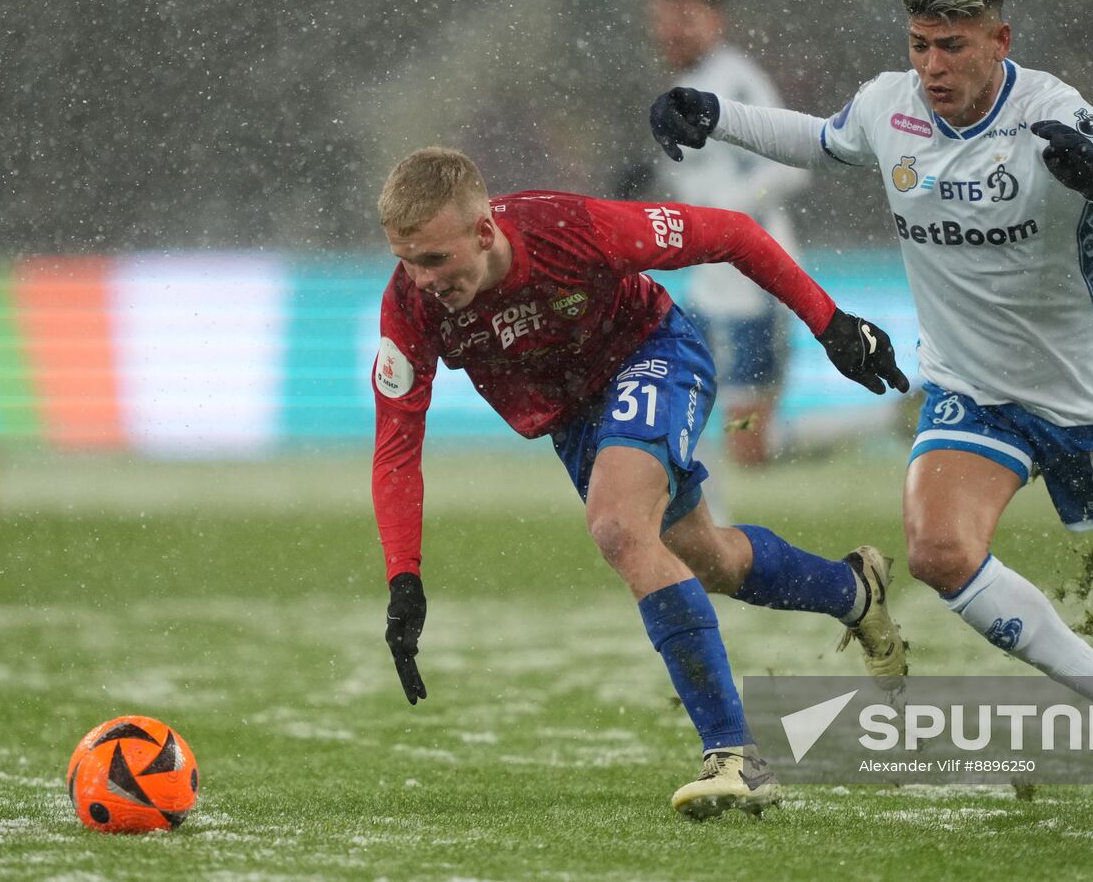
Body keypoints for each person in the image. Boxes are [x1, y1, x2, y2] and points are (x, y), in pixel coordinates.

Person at [650, 0, 1093, 787]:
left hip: (1083, 394)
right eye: (920, 44)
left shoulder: (1055, 113)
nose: (932, 66)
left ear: (1000, 40)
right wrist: (716, 117)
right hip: (970, 389)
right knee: (937, 551)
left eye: (953, 46)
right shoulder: (891, 106)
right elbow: (819, 140)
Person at [371, 147, 911, 819]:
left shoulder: (570, 229)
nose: (421, 280)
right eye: (406, 260)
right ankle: (855, 590)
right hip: (574, 418)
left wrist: (829, 323)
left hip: (653, 355)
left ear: (483, 232)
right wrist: (404, 579)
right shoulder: (410, 306)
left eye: (434, 259)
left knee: (618, 526)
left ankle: (735, 754)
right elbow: (396, 449)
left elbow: (733, 234)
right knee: (712, 561)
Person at [643, 0, 810, 468]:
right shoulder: (683, 88)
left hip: (754, 277)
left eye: (685, 18)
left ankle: (880, 420)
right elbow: (702, 176)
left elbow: (792, 166)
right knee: (671, 408)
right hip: (708, 278)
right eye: (664, 20)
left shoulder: (736, 82)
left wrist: (725, 218)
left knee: (749, 443)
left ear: (716, 21)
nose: (672, 31)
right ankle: (697, 509)